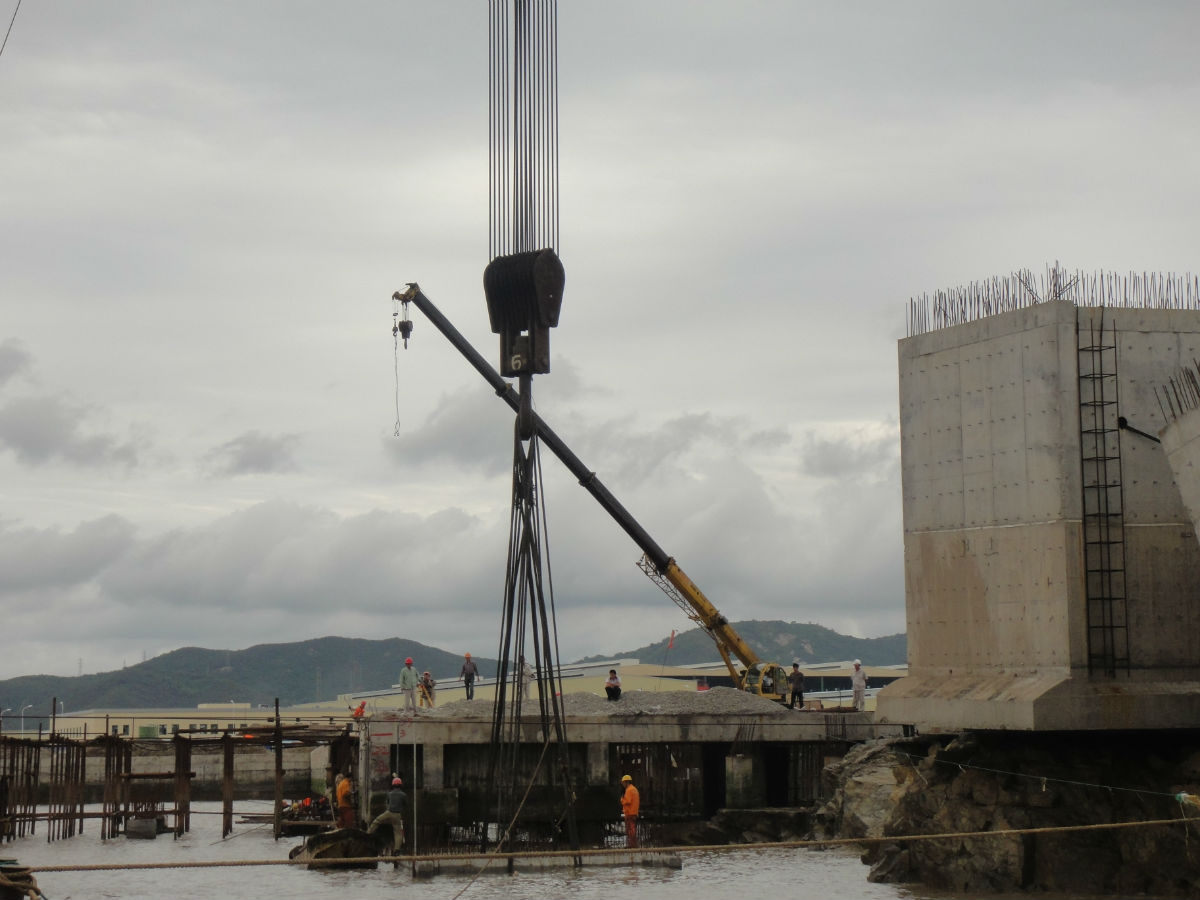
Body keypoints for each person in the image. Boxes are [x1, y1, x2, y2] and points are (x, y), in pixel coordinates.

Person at [367, 776, 407, 854]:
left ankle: (368, 833)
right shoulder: (403, 795)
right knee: (398, 832)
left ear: (393, 785)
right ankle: (397, 850)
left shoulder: (390, 794)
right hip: (397, 815)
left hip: (388, 813)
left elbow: (388, 803)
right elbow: (405, 804)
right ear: (400, 785)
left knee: (377, 821)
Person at [619, 774, 640, 848]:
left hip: (629, 813)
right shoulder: (634, 789)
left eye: (623, 783)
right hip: (634, 812)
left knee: (630, 830)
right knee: (633, 830)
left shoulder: (628, 790)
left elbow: (627, 801)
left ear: (626, 782)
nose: (623, 785)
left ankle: (632, 845)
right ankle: (633, 844)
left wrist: (622, 799)